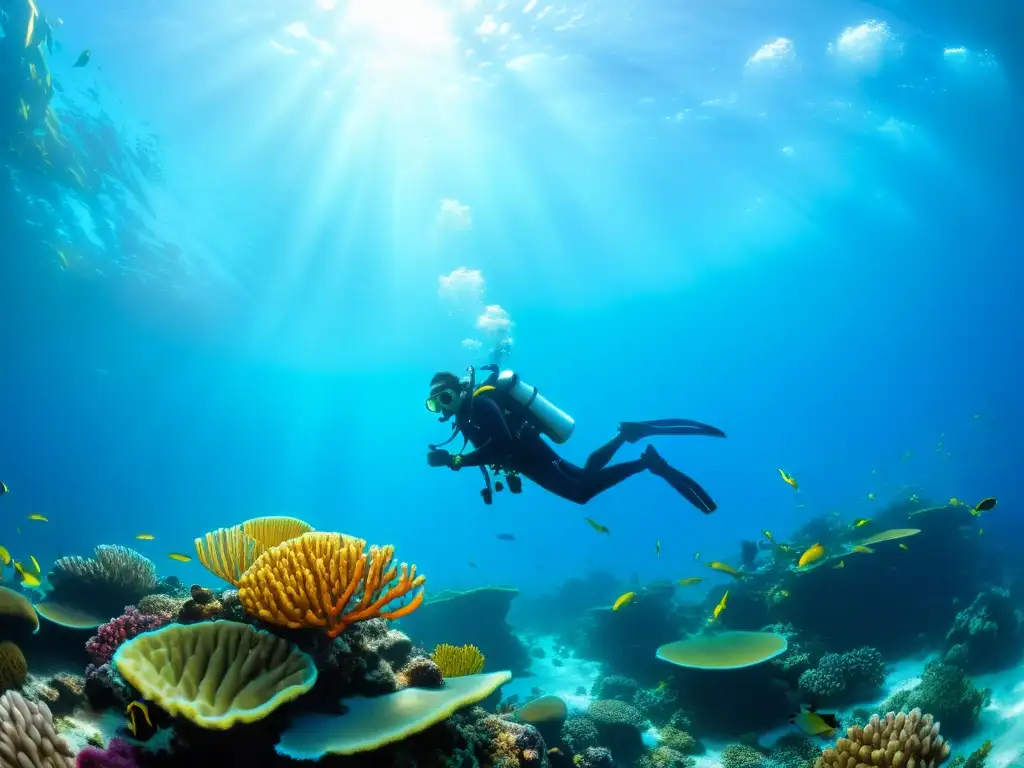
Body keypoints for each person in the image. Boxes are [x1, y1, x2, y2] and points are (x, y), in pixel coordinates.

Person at [424, 366, 724, 511]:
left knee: (581, 492)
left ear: (459, 391)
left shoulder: (480, 404)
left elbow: (501, 444)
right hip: (525, 460)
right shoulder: (465, 417)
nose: (444, 406)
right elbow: (493, 450)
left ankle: (645, 462)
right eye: (436, 404)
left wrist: (456, 460)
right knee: (585, 476)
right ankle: (627, 435)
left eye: (446, 397)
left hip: (530, 453)